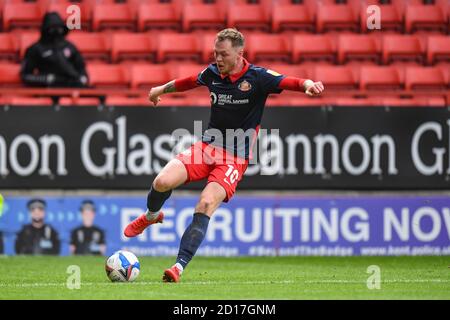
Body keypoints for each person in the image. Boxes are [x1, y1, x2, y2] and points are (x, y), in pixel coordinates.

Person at [124, 28, 324, 282]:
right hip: (208, 146)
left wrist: (308, 85)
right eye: (215, 53)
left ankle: (178, 267)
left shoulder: (258, 77)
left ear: (240, 54)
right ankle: (152, 216)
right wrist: (160, 90)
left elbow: (288, 81)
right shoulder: (212, 73)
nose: (218, 59)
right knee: (162, 181)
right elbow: (187, 82)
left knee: (205, 204)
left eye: (223, 54)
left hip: (235, 157)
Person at [20, 12, 88, 88]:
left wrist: (82, 78)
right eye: (52, 29)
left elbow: (81, 68)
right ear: (45, 30)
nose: (56, 32)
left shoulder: (69, 47)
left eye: (59, 29)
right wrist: (46, 79)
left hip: (72, 85)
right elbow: (25, 76)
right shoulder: (36, 49)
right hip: (49, 89)